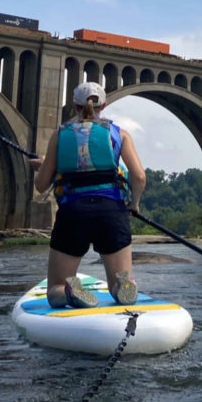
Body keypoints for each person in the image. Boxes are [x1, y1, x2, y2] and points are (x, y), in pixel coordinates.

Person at [31, 82, 147, 308]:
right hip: (111, 211)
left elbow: (41, 184)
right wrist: (134, 204)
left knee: (53, 290)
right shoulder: (119, 134)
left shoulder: (60, 135)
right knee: (117, 283)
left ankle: (68, 291)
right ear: (103, 105)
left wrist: (46, 166)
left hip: (73, 213)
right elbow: (139, 177)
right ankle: (122, 285)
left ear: (74, 105)